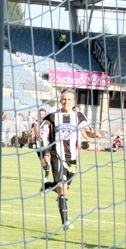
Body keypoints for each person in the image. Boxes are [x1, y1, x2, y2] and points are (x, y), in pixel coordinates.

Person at [40, 89, 100, 230]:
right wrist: (36, 131)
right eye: (64, 99)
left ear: (74, 102)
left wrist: (94, 134)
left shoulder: (79, 116)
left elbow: (88, 132)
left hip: (72, 157)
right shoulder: (54, 116)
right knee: (62, 187)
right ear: (60, 100)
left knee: (64, 187)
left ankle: (48, 186)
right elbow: (38, 123)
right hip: (57, 156)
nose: (66, 102)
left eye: (69, 99)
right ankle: (65, 221)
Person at [33, 107, 51, 182]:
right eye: (40, 114)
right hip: (38, 144)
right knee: (42, 161)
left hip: (46, 143)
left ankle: (47, 176)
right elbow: (32, 132)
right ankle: (46, 171)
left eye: (43, 114)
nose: (41, 116)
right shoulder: (36, 122)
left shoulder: (48, 122)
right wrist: (33, 135)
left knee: (46, 159)